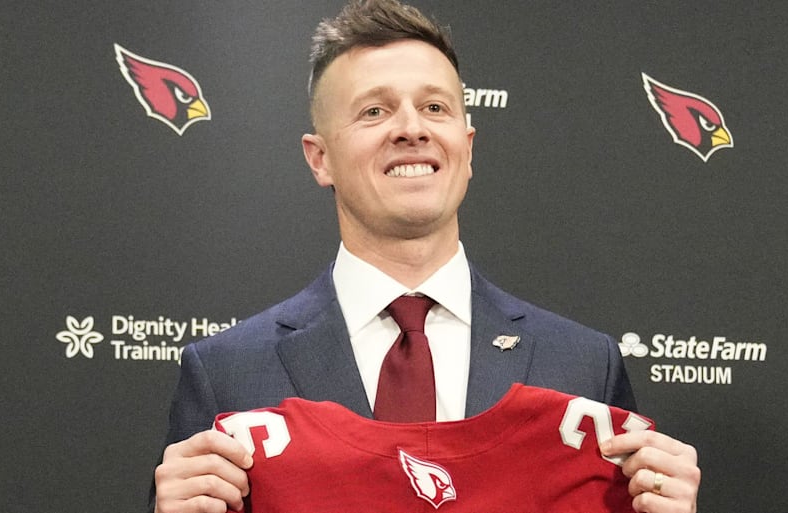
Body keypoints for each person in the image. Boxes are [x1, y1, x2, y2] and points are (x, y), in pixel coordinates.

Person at [150, 1, 701, 512]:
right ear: (320, 158)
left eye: (434, 107)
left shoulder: (583, 366)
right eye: (374, 111)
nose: (411, 129)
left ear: (468, 146)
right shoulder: (227, 373)